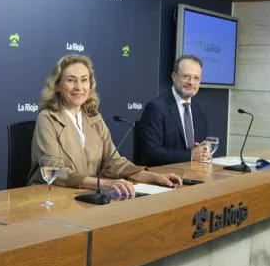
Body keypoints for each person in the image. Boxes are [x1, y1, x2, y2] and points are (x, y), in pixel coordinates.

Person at [28, 54, 181, 199]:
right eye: (71, 80)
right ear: (57, 85)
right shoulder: (47, 118)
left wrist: (154, 177)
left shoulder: (94, 118)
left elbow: (113, 162)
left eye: (84, 80)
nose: (79, 87)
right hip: (49, 196)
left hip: (83, 195)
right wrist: (104, 184)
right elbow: (54, 171)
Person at [136, 54, 209, 166]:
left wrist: (202, 152)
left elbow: (200, 145)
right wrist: (190, 155)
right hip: (163, 174)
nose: (191, 82)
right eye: (186, 76)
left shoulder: (199, 108)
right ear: (174, 77)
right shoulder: (156, 107)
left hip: (193, 172)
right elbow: (151, 152)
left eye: (196, 78)